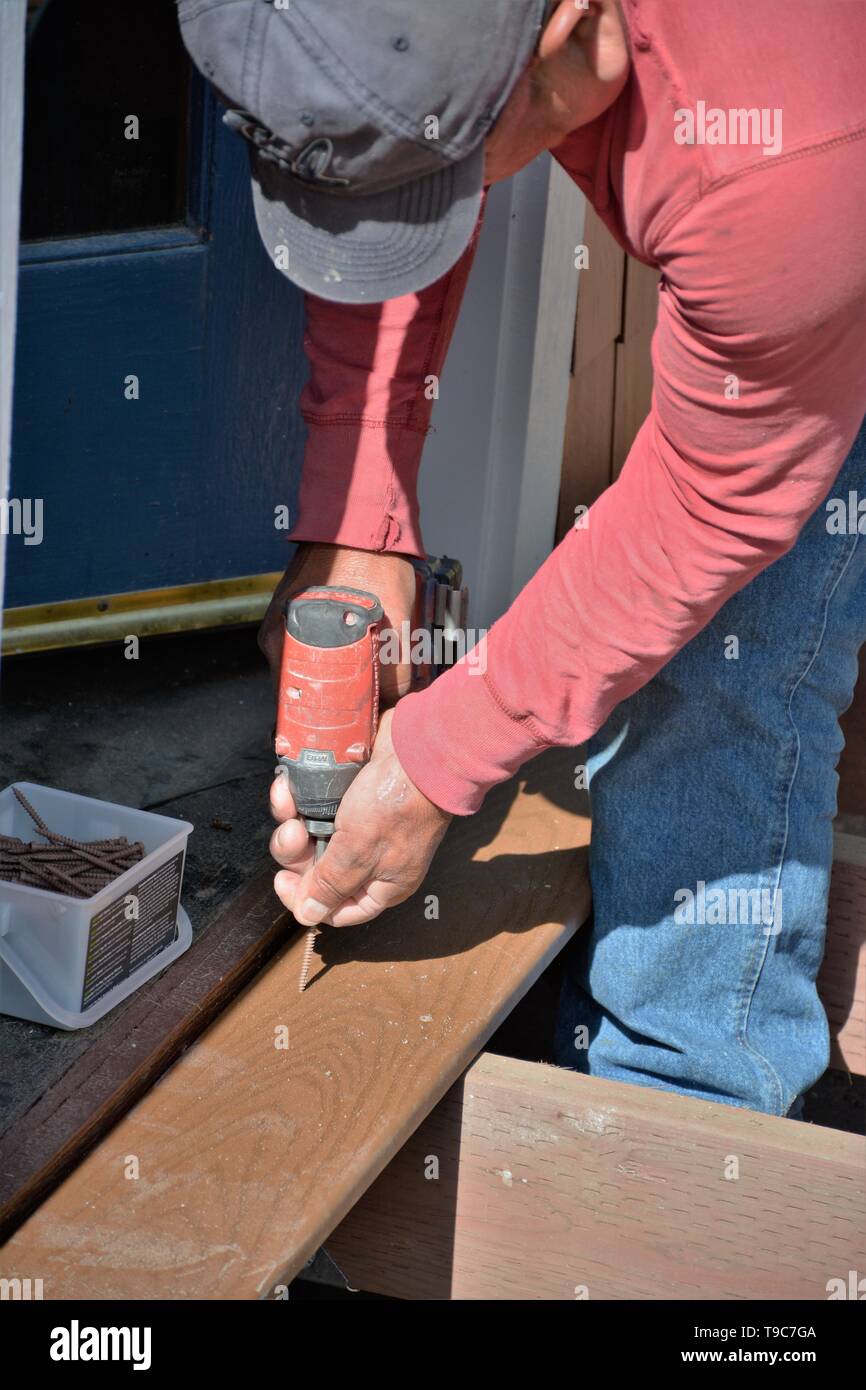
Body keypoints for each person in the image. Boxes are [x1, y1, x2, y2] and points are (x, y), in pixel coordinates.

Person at [179, 0, 866, 1116]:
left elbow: (714, 501)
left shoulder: (787, 158)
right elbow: (399, 162)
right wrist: (357, 514)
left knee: (728, 656)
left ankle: (678, 1117)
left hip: (821, 203)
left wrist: (441, 756)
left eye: (438, 178)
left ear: (577, 37)